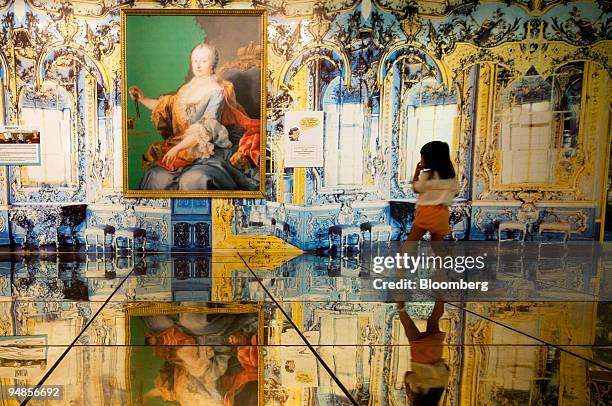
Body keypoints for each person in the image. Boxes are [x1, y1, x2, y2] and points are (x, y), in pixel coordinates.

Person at [128, 42, 260, 191]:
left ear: (212, 64)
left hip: (206, 147)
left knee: (194, 180)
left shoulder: (216, 91)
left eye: (203, 61)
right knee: (156, 177)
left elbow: (206, 127)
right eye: (195, 61)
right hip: (180, 145)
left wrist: (177, 148)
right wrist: (142, 98)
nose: (198, 66)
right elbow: (166, 106)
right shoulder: (186, 89)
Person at [397, 300, 449, 405]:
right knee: (408, 325)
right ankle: (400, 305)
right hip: (419, 355)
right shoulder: (419, 390)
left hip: (435, 352)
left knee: (433, 320)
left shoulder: (439, 389)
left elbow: (447, 369)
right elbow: (408, 376)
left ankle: (440, 292)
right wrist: (408, 389)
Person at [405, 141, 458, 242]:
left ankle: (406, 258)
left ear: (430, 159)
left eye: (422, 157)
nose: (421, 160)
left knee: (410, 244)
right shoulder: (449, 177)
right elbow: (455, 193)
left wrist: (417, 172)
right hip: (442, 214)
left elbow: (415, 189)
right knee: (437, 248)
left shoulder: (427, 176)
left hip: (426, 213)